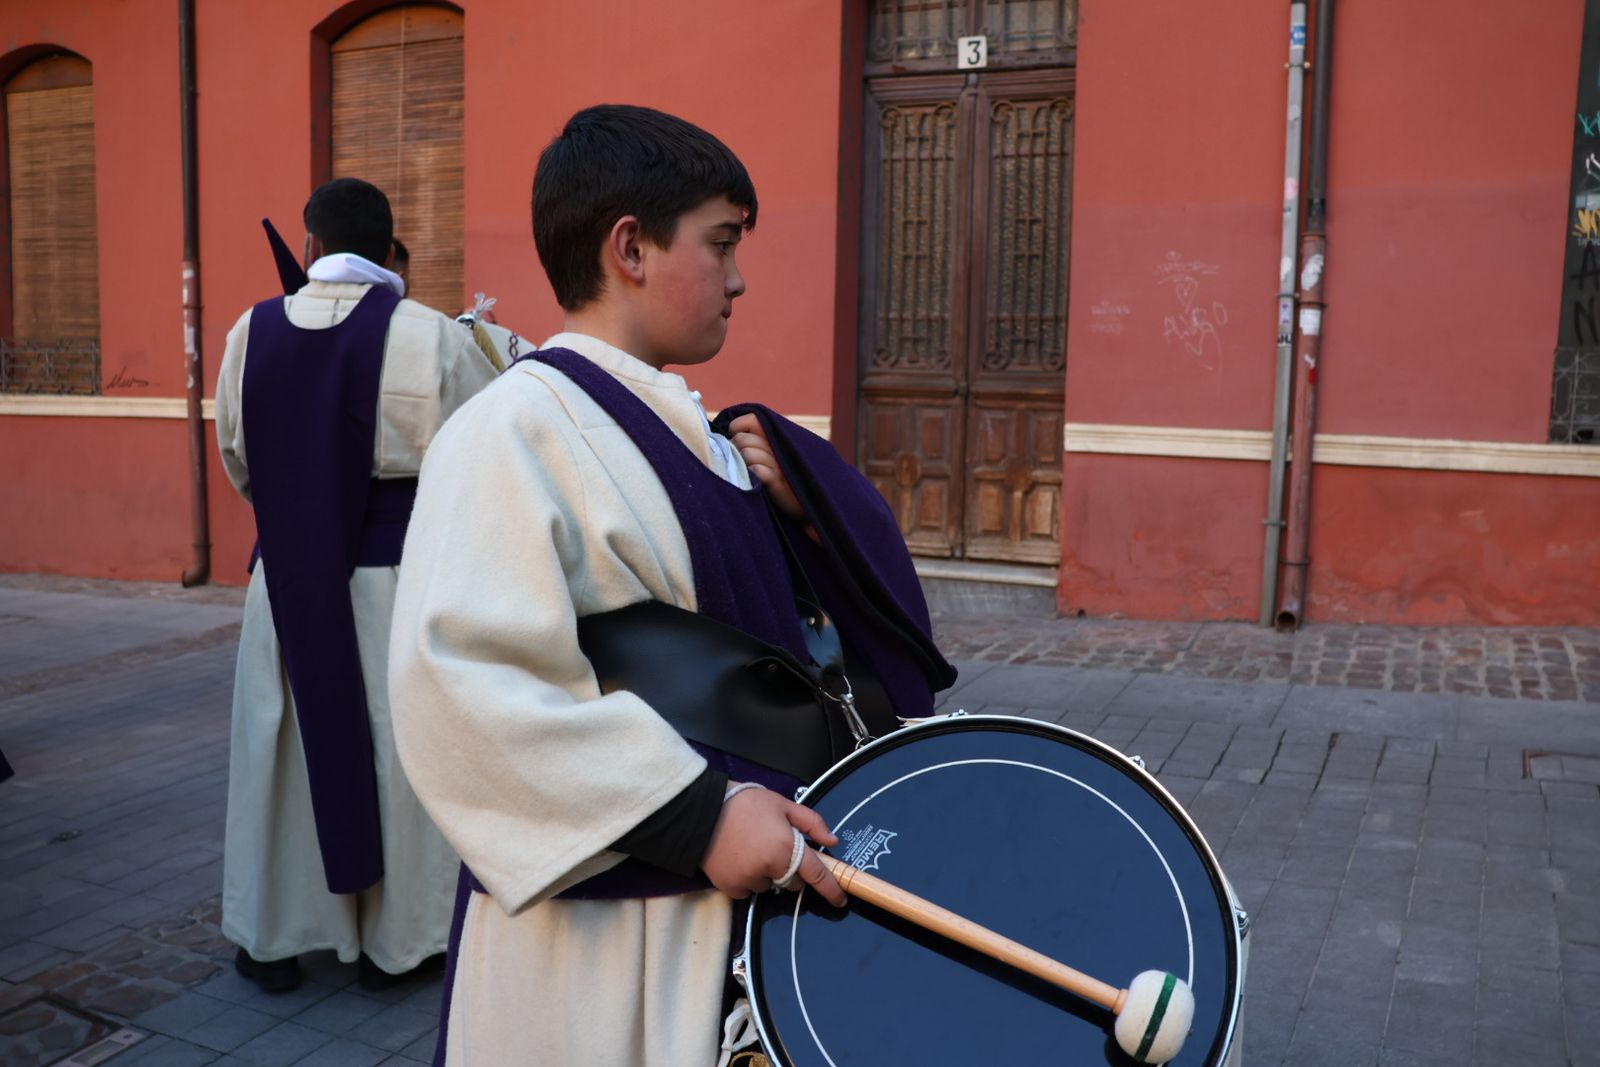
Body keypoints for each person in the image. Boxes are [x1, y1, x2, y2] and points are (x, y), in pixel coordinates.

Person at [388, 105, 955, 1065]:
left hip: (745, 897)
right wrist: (697, 815)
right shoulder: (511, 430)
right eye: (721, 243)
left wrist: (804, 518)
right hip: (612, 938)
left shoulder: (711, 436)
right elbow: (460, 686)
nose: (738, 278)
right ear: (630, 248)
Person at [215, 177, 498, 993]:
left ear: (307, 245)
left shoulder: (248, 331)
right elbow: (472, 455)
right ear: (388, 246)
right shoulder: (430, 335)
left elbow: (238, 457)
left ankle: (273, 936)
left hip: (289, 577)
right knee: (396, 752)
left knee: (281, 747)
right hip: (390, 577)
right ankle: (395, 942)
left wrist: (300, 520)